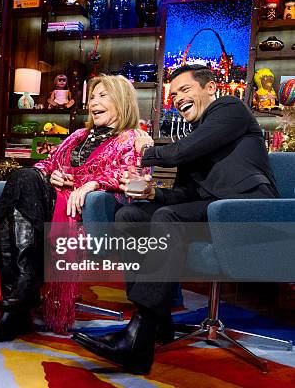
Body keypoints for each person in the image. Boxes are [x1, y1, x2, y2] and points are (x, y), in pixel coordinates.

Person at [72, 64, 278, 374]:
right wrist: (152, 193)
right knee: (130, 214)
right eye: (173, 94)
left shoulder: (230, 110)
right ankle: (159, 322)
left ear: (210, 88)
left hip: (248, 209)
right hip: (210, 209)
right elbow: (183, 194)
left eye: (184, 90)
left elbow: (181, 153)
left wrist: (146, 152)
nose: (177, 98)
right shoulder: (198, 135)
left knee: (169, 217)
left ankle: (138, 336)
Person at [0, 75, 142, 342]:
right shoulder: (79, 134)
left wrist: (91, 183)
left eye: (103, 96)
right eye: (92, 97)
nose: (94, 102)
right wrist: (53, 175)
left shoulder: (132, 138)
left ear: (123, 101)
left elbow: (132, 176)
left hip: (82, 209)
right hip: (49, 199)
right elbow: (46, 165)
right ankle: (21, 294)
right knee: (24, 178)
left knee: (19, 199)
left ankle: (19, 304)